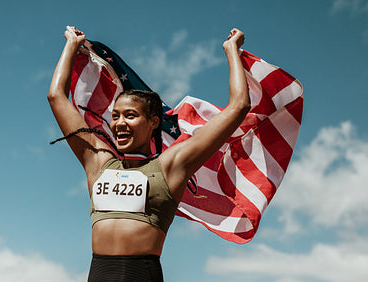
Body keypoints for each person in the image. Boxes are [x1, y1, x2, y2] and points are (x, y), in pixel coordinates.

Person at [48, 26, 249, 282]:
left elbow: (239, 106)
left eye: (130, 115)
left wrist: (232, 50)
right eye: (116, 116)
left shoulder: (171, 166)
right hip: (97, 273)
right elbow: (56, 96)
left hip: (142, 274)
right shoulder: (98, 162)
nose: (119, 122)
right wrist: (71, 45)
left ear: (154, 122)